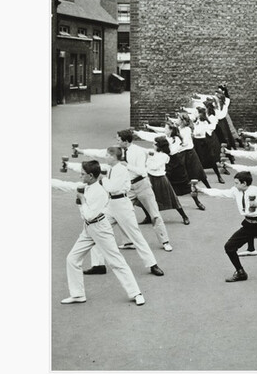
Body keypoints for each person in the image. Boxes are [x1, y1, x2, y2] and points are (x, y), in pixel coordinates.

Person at [51, 160, 146, 306]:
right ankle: (77, 295)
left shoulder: (100, 192)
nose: (80, 176)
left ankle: (136, 293)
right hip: (88, 229)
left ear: (90, 175)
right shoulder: (86, 185)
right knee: (72, 259)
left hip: (101, 228)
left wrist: (81, 202)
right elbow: (65, 185)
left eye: (82, 174)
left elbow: (89, 215)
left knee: (116, 262)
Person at [63, 146, 165, 278]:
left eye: (107, 155)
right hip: (110, 205)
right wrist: (69, 165)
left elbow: (112, 187)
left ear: (113, 157)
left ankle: (152, 264)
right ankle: (98, 265)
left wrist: (101, 179)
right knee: (95, 229)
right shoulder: (110, 168)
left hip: (122, 204)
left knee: (135, 235)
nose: (105, 157)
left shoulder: (121, 170)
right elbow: (91, 171)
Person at [78, 131, 173, 253]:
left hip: (142, 184)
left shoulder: (137, 152)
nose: (116, 142)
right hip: (127, 188)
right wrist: (82, 151)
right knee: (122, 213)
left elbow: (142, 171)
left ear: (126, 141)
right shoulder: (117, 151)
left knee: (154, 214)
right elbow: (100, 152)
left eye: (118, 140)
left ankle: (165, 241)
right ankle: (128, 242)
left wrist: (127, 165)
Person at [146, 136, 190, 225]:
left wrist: (148, 160)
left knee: (172, 198)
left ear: (159, 146)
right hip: (151, 178)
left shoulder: (164, 156)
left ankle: (184, 216)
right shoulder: (153, 152)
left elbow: (154, 167)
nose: (153, 145)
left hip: (160, 179)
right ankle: (148, 217)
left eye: (154, 144)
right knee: (146, 199)